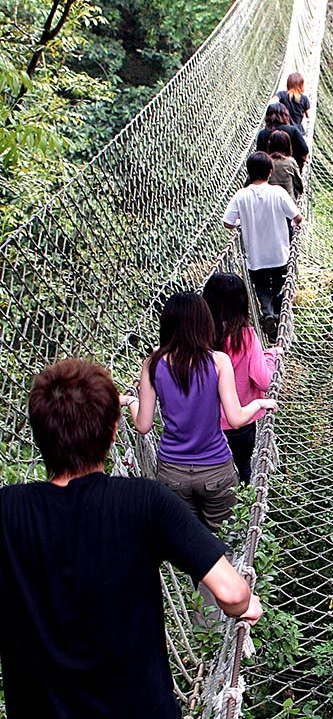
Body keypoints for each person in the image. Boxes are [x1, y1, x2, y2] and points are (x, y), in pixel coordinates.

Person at [0, 358, 262, 718]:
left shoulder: (8, 510)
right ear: (112, 430)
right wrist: (245, 606)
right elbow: (232, 592)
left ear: (39, 433)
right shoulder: (144, 501)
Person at [123, 292, 276, 529]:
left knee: (188, 545)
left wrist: (133, 403)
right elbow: (235, 419)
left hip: (172, 472)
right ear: (205, 323)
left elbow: (143, 426)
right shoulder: (218, 362)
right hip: (215, 469)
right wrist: (258, 404)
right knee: (226, 540)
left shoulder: (153, 364)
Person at [203, 272, 282, 485]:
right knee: (243, 467)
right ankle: (245, 508)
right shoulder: (245, 337)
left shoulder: (197, 336)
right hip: (240, 421)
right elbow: (264, 380)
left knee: (213, 475)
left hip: (203, 424)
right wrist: (270, 356)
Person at [223, 152, 302, 340]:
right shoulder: (278, 193)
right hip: (279, 255)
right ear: (270, 171)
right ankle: (275, 321)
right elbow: (297, 218)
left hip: (255, 258)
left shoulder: (241, 196)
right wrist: (291, 225)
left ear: (249, 172)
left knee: (262, 290)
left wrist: (242, 223)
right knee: (279, 290)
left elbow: (227, 222)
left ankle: (267, 314)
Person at [256, 103, 308, 171]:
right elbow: (304, 151)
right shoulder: (293, 130)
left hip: (269, 173)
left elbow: (260, 156)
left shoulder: (263, 133)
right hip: (291, 170)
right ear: (285, 115)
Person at [268, 130, 304, 201]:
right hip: (288, 203)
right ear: (288, 145)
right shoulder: (290, 162)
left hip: (267, 203)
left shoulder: (265, 161)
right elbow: (299, 186)